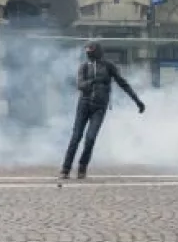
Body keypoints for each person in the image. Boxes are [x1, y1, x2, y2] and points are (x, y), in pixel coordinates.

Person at [61, 41, 144, 180]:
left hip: (100, 107)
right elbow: (80, 85)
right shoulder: (84, 67)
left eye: (91, 51)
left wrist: (137, 101)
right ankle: (65, 169)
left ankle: (82, 167)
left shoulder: (108, 66)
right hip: (84, 104)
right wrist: (92, 82)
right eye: (88, 51)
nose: (89, 54)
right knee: (76, 137)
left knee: (90, 138)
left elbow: (123, 83)